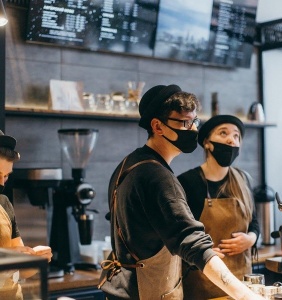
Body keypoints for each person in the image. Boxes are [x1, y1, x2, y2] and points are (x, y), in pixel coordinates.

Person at [98, 85, 264, 300]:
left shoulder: (127, 165)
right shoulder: (158, 177)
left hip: (120, 289)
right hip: (145, 292)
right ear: (158, 126)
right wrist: (246, 296)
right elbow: (192, 242)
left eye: (195, 121)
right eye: (185, 123)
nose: (193, 129)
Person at [177, 114, 260, 299]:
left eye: (237, 136)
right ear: (207, 142)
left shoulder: (243, 180)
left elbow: (254, 222)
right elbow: (177, 236)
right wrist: (200, 255)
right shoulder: (187, 182)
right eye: (224, 133)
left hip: (242, 283)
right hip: (203, 283)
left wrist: (251, 239)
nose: (231, 139)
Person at [0, 130, 52, 299]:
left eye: (6, 176)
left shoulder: (4, 204)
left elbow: (21, 271)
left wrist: (35, 259)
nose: (2, 183)